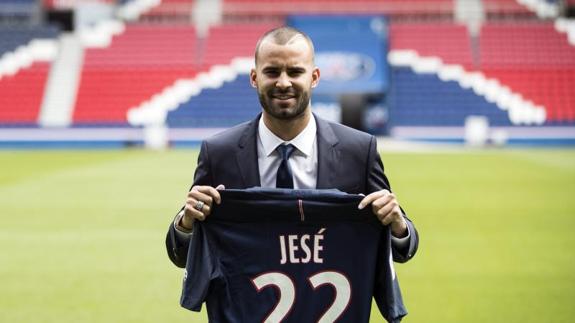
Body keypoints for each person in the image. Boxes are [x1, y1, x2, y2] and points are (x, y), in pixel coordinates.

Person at [166, 26, 418, 269]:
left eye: (295, 72)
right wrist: (185, 223)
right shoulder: (219, 152)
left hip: (331, 308)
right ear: (255, 77)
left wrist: (398, 227)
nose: (283, 83)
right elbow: (183, 256)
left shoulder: (359, 151)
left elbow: (402, 248)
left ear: (314, 77)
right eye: (272, 72)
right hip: (244, 310)